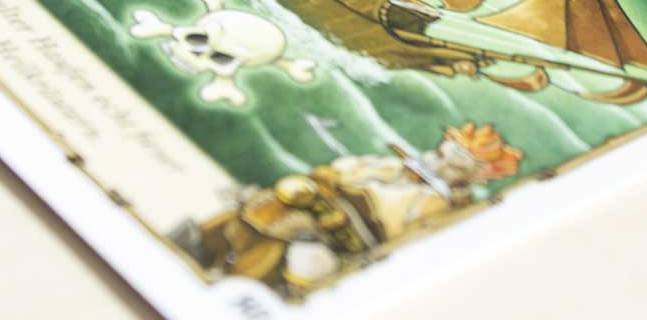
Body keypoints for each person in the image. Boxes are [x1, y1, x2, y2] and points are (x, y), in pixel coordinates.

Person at [192, 122, 524, 294]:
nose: (444, 156)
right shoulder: (393, 166)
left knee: (300, 238)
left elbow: (402, 241)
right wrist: (328, 183)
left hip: (356, 236)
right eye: (449, 148)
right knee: (278, 202)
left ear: (478, 172)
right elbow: (339, 172)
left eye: (459, 157)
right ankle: (207, 246)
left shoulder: (442, 206)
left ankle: (244, 279)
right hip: (327, 202)